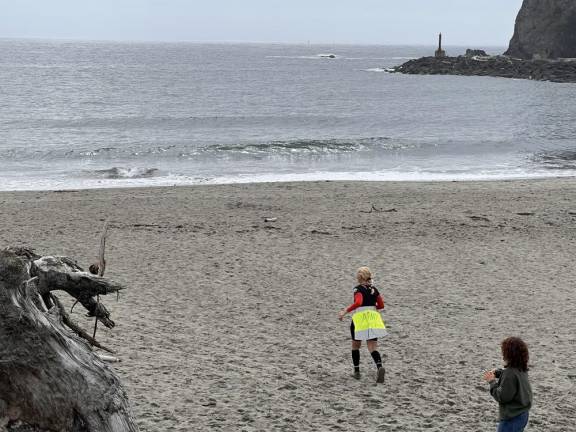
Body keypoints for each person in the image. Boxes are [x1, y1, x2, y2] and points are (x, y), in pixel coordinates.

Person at [338, 266, 387, 383]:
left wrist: (345, 311)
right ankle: (379, 367)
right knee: (372, 347)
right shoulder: (374, 289)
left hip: (360, 318)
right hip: (373, 318)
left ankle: (356, 371)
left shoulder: (358, 289)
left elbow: (358, 302)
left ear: (359, 277)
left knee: (356, 345)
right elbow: (381, 305)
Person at [483, 337, 533, 432]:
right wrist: (498, 373)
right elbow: (513, 378)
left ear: (509, 354)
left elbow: (502, 396)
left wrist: (492, 382)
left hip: (512, 418)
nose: (502, 354)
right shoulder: (522, 368)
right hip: (523, 414)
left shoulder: (509, 374)